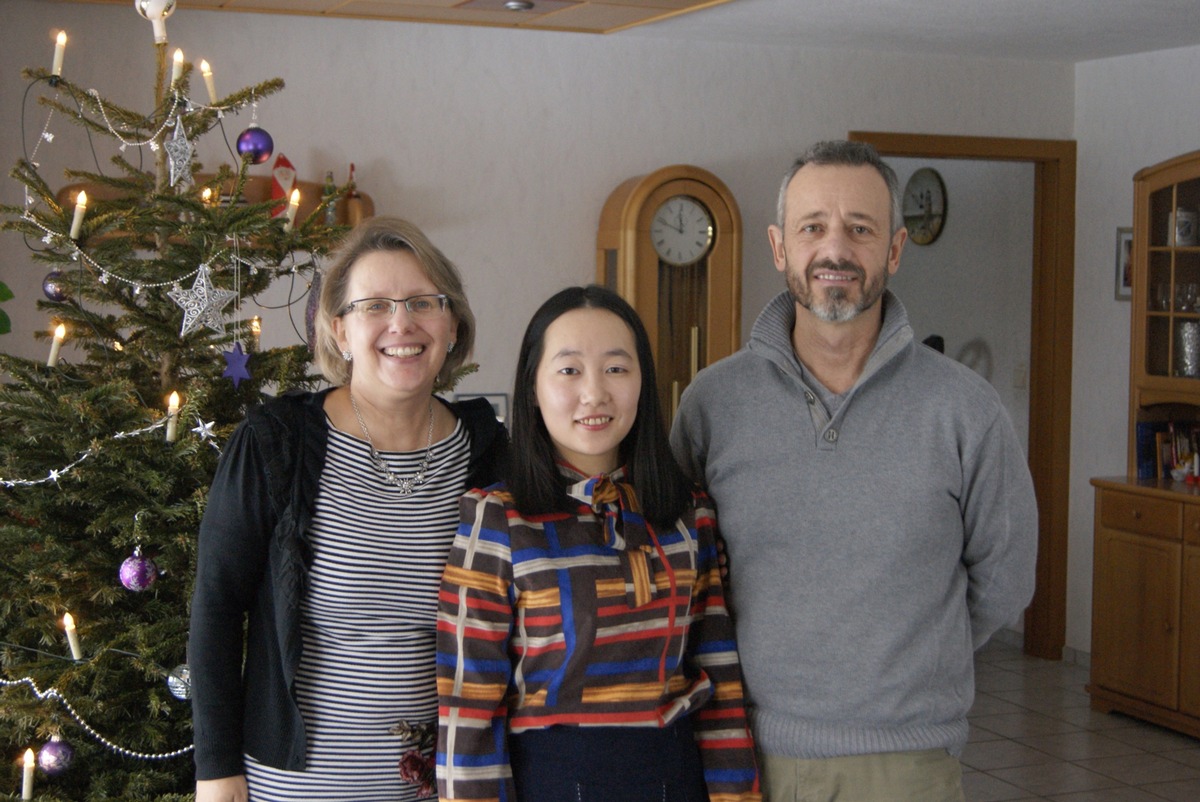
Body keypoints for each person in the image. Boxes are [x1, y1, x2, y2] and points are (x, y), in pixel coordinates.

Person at [670, 141, 1038, 802]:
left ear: (894, 250)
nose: (835, 250)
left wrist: (911, 659)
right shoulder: (711, 404)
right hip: (740, 755)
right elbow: (679, 574)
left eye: (860, 229)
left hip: (907, 763)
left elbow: (1004, 580)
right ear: (780, 248)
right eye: (813, 227)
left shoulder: (965, 410)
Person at [190, 216, 507, 802]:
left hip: (443, 785)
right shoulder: (275, 442)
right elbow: (215, 605)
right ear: (338, 329)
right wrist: (215, 769)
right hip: (297, 783)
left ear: (453, 322)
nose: (401, 323)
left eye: (423, 302)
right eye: (374, 306)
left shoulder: (486, 452)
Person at [436, 285, 760, 802]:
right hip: (553, 782)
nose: (595, 393)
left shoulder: (688, 514)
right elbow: (469, 709)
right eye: (569, 370)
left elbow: (719, 678)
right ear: (533, 388)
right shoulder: (497, 520)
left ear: (642, 383)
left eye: (616, 368)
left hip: (674, 778)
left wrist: (737, 795)